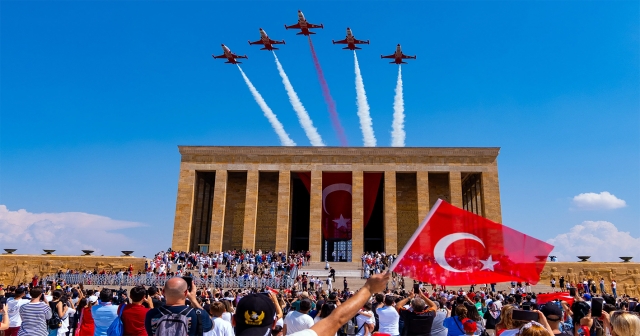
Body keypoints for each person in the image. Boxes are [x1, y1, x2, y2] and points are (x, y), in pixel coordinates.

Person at [144, 277, 213, 336]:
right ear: (186, 293)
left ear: (163, 292)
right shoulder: (198, 314)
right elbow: (210, 326)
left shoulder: (152, 314)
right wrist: (193, 300)